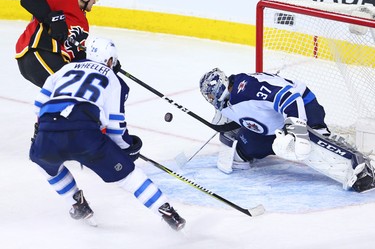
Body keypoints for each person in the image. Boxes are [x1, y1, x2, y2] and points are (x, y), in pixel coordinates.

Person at [29, 37, 186, 230]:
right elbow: (115, 126)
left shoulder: (65, 69)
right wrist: (126, 149)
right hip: (84, 134)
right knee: (128, 176)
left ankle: (78, 205)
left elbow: (38, 106)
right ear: (110, 61)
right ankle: (169, 213)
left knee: (44, 163)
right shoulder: (113, 79)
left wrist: (41, 134)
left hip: (49, 128)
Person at [199, 68, 375, 193]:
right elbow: (237, 118)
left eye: (211, 94)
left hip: (302, 106)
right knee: (243, 153)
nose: (210, 99)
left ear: (220, 86)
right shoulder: (227, 101)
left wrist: (296, 131)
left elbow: (289, 98)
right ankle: (297, 137)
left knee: (307, 147)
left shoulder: (246, 87)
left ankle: (358, 166)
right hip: (271, 126)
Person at [15, 0, 100, 88]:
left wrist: (101, 63)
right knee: (72, 90)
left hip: (56, 60)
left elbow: (78, 57)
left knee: (79, 92)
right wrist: (54, 20)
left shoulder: (82, 23)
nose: (95, 1)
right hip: (39, 51)